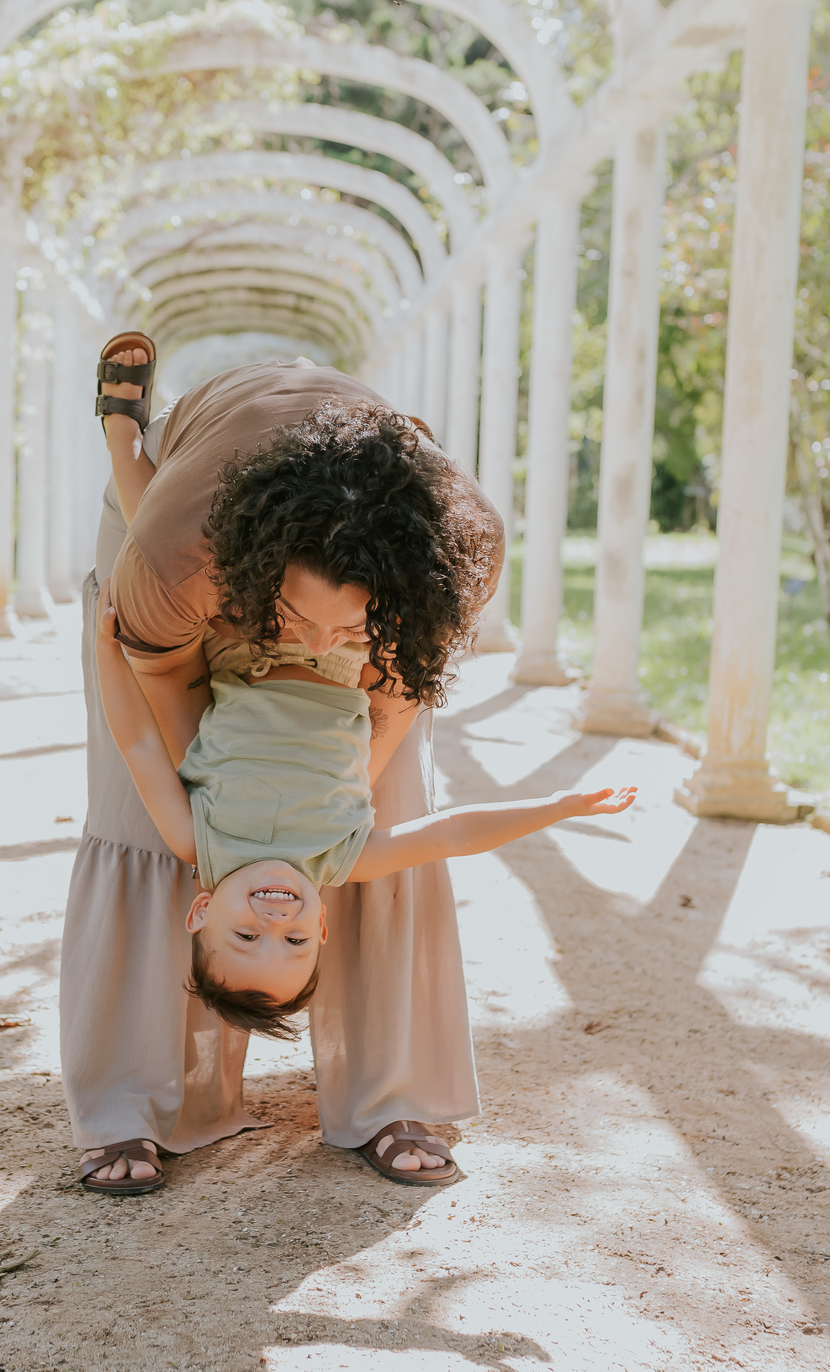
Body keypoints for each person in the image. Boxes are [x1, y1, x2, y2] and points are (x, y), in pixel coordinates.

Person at [60, 336, 505, 1197]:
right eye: (300, 619)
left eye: (345, 623)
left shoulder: (456, 553)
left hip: (375, 520)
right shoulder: (173, 566)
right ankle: (132, 1106)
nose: (315, 639)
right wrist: (229, 794)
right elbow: (162, 696)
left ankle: (392, 1097)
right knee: (141, 812)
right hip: (190, 537)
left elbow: (402, 699)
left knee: (391, 803)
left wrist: (342, 783)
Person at [95, 577, 637, 1034]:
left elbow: (140, 745)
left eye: (246, 936)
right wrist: (556, 806)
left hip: (243, 645)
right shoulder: (342, 857)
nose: (276, 920)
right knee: (372, 576)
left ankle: (123, 448)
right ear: (322, 927)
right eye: (296, 940)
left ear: (202, 912)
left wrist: (105, 651)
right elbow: (452, 836)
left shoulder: (196, 838)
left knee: (222, 551)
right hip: (344, 656)